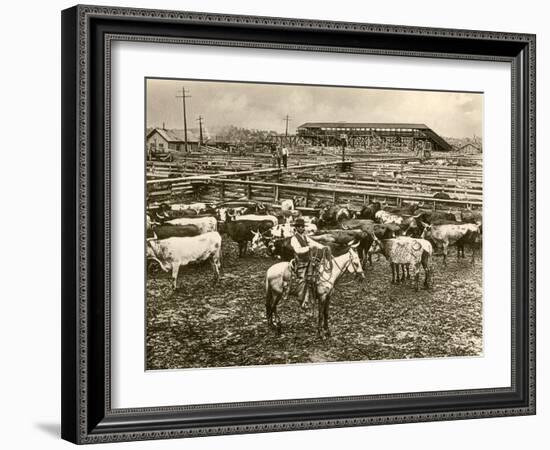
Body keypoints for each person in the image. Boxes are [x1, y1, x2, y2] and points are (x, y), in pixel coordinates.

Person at [284, 218, 327, 309]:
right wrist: (309, 248)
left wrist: (323, 247)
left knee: (317, 274)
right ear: (296, 228)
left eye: (302, 226)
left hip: (309, 260)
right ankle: (301, 298)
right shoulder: (294, 239)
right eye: (299, 227)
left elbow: (313, 243)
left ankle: (313, 295)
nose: (301, 228)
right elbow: (298, 250)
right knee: (303, 279)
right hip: (300, 262)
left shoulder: (305, 237)